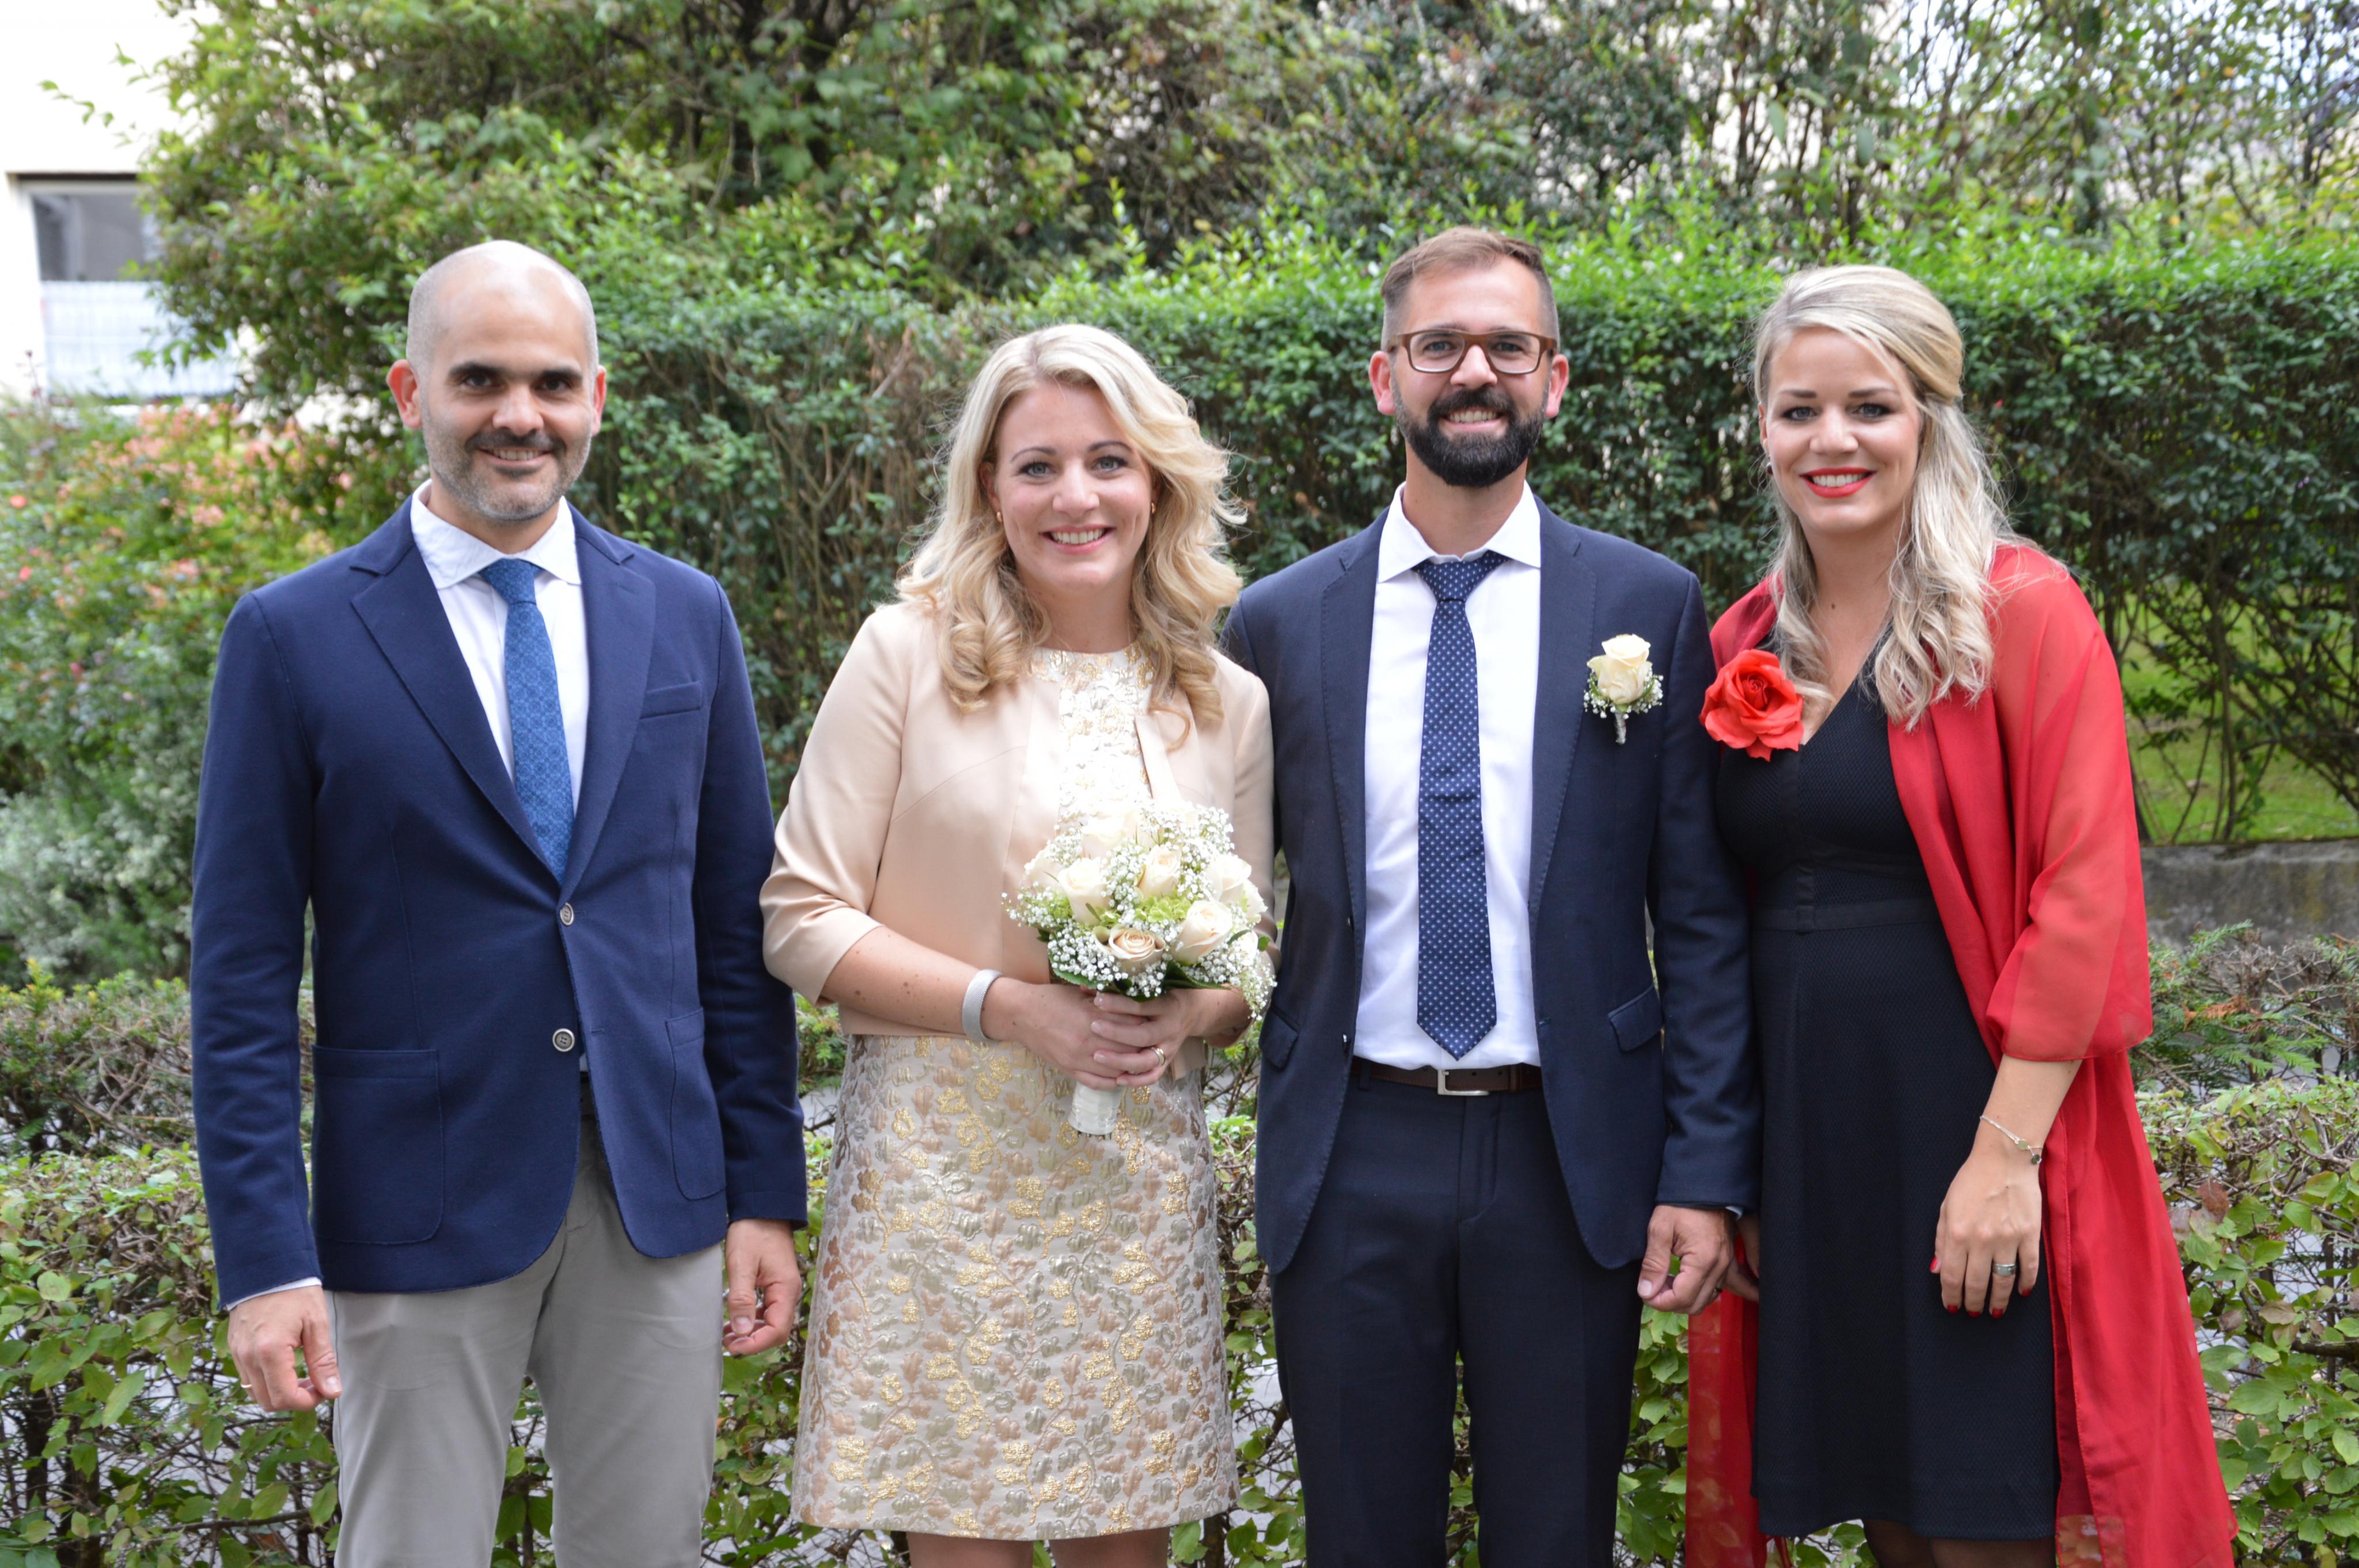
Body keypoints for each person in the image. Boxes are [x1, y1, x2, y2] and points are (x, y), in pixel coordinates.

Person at [189, 241, 806, 1567]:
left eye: (551, 384)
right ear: (411, 391)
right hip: (414, 1200)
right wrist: (265, 1261)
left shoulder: (685, 616)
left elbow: (731, 935)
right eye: (480, 380)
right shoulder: (292, 636)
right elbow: (239, 982)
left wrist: (761, 1195)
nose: (519, 416)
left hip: (653, 1195)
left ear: (597, 399)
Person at [1219, 226, 1756, 1567]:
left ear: (1552, 380)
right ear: (1383, 378)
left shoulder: (1645, 603)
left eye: (1507, 347)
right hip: (1349, 1144)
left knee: (1555, 1539)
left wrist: (1700, 1171)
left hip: (1566, 1150)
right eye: (1439, 345)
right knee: (1359, 1543)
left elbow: (1698, 917)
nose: (1474, 372)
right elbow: (1227, 889)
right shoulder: (1278, 623)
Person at [1684, 264, 2235, 1567]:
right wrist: (1737, 1168)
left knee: (1989, 1514)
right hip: (1816, 1146)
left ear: (1929, 418)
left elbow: (2083, 900)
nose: (1831, 441)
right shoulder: (1746, 640)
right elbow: (1719, 918)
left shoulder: (2020, 613)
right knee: (1888, 1513)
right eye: (1798, 410)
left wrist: (2002, 1162)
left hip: (1973, 1130)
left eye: (1868, 407)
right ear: (1761, 428)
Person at [760, 322, 1272, 1565]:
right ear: (989, 489)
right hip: (941, 1190)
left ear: (1156, 482)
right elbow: (800, 916)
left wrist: (1186, 1014)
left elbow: (1248, 963)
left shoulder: (1227, 700)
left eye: (1108, 461)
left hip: (1131, 1195)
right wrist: (1009, 1005)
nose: (1074, 496)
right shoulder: (905, 653)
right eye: (1036, 465)